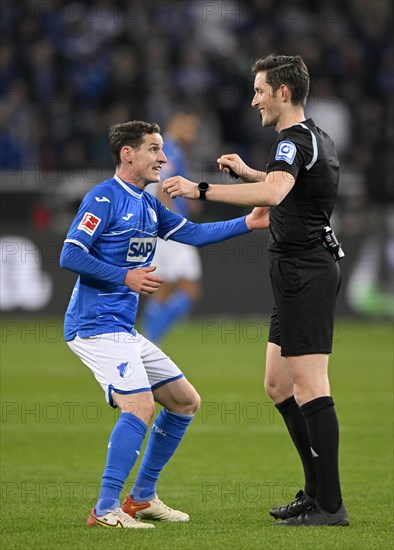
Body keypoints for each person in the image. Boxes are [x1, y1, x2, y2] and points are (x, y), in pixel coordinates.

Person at [162, 54, 349, 527]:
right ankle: (315, 491)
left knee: (310, 385)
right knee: (278, 384)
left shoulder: (290, 143)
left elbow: (275, 195)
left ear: (283, 93)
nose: (254, 99)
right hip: (294, 270)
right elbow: (285, 187)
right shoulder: (312, 138)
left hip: (305, 271)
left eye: (260, 90)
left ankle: (330, 504)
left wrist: (199, 190)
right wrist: (248, 174)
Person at [60, 120, 269, 528]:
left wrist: (248, 223)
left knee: (185, 401)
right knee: (139, 406)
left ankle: (141, 498)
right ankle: (105, 509)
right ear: (128, 154)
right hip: (94, 325)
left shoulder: (146, 202)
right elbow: (70, 255)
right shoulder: (103, 198)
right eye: (154, 149)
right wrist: (125, 277)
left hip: (122, 327)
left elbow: (191, 233)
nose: (163, 157)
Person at [142, 112, 203, 343]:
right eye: (189, 129)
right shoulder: (170, 150)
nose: (193, 135)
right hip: (172, 231)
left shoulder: (160, 149)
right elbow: (160, 189)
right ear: (177, 125)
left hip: (157, 229)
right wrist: (176, 220)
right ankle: (151, 339)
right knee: (190, 290)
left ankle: (148, 341)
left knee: (164, 288)